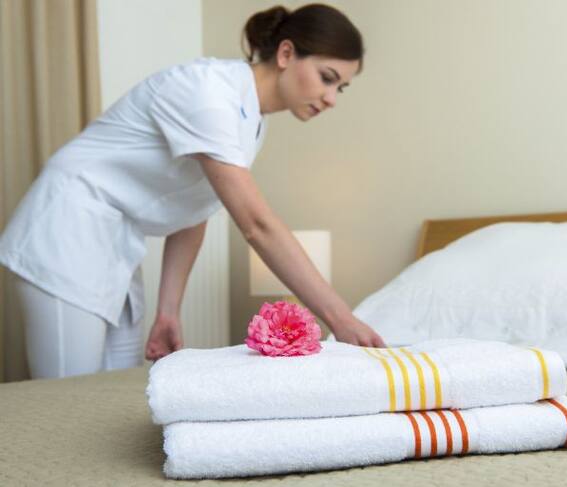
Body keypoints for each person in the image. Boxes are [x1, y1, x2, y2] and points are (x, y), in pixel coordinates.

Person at [0, 3, 386, 379]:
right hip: (67, 229)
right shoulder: (208, 92)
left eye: (341, 87)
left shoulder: (251, 120)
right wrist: (340, 318)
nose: (331, 98)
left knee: (113, 391)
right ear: (286, 54)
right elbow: (257, 225)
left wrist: (169, 311)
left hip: (117, 242)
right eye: (327, 77)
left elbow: (195, 208)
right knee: (67, 394)